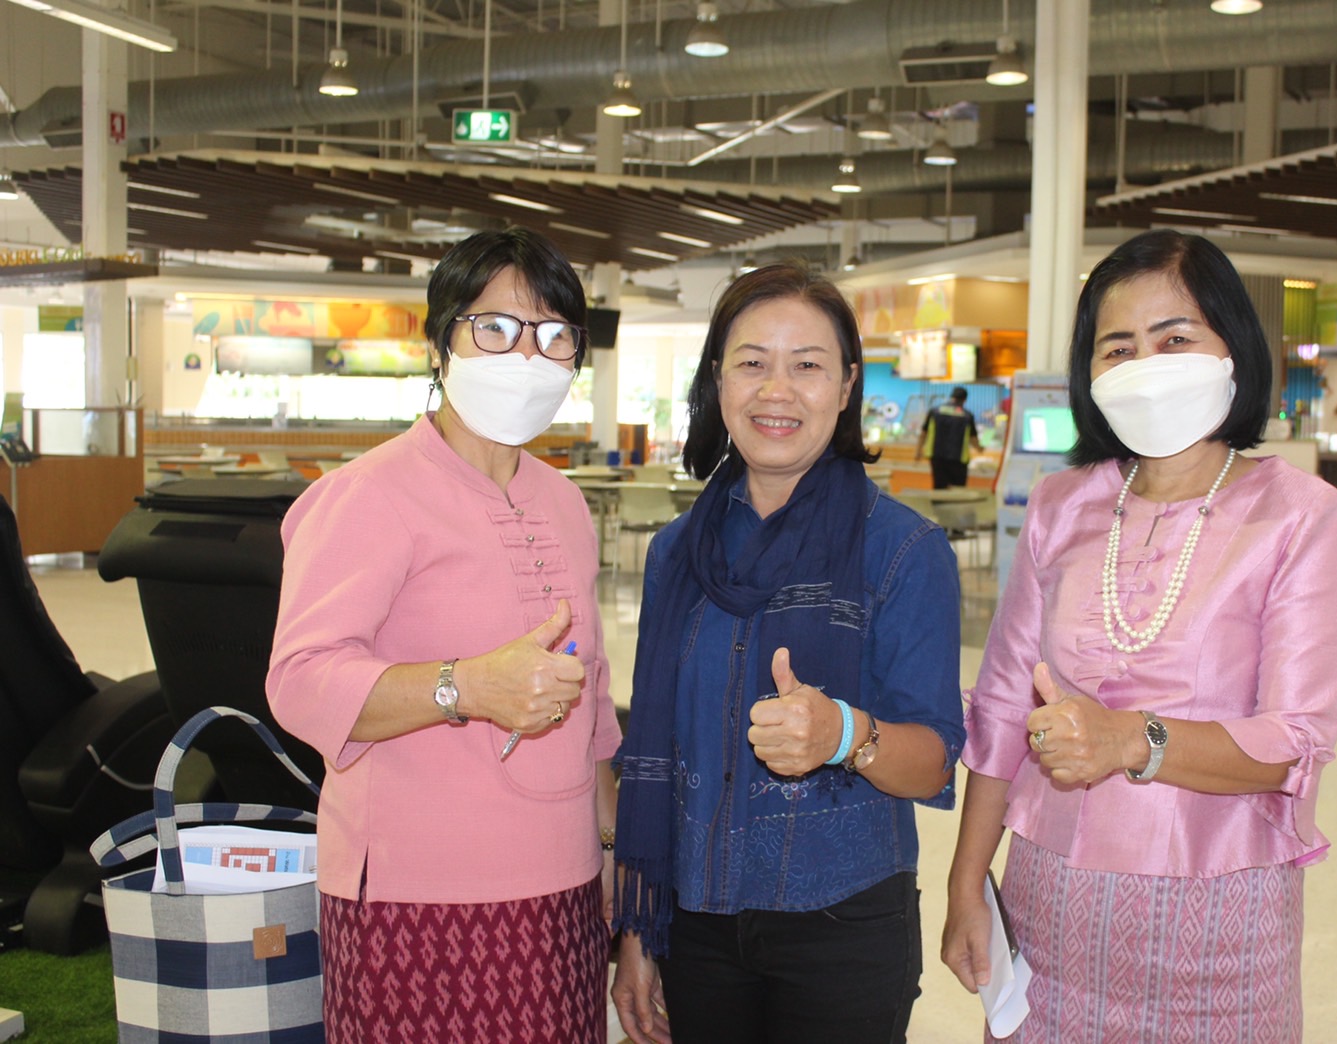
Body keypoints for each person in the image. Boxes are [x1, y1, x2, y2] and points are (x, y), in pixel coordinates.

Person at [940, 229, 1337, 1042]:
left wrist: (1131, 739)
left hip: (1219, 928)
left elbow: (1294, 741)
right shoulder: (1063, 505)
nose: (1145, 365)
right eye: (1117, 347)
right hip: (1048, 913)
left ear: (1232, 347)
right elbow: (1000, 703)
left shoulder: (1302, 517)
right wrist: (967, 880)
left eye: (1173, 339)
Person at [266, 228, 621, 1043]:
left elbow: (590, 692)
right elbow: (301, 679)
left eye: (555, 336)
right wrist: (464, 686)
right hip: (417, 893)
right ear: (440, 342)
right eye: (495, 329)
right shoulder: (367, 495)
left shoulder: (565, 503)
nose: (526, 357)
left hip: (561, 883)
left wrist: (609, 845)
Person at [610, 261, 967, 1044]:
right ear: (717, 382)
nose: (777, 390)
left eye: (807, 365)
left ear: (845, 388)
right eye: (752, 363)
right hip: (696, 928)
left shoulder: (903, 551)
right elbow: (653, 755)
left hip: (842, 925)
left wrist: (845, 734)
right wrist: (638, 933)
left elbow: (934, 760)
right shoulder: (677, 554)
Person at [917, 386, 983, 489]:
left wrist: (918, 451)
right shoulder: (967, 415)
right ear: (964, 400)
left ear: (952, 396)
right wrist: (980, 448)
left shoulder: (935, 411)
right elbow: (973, 438)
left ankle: (938, 504)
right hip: (958, 458)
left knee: (939, 488)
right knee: (957, 491)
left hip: (937, 456)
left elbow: (924, 433)